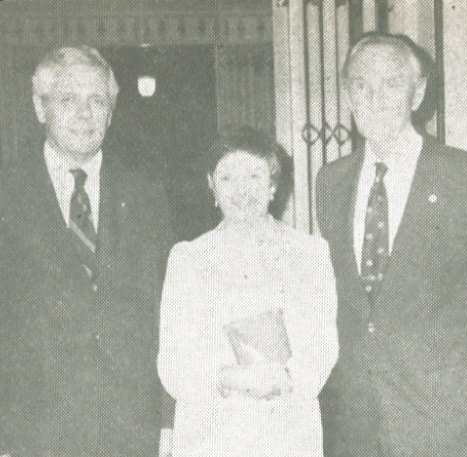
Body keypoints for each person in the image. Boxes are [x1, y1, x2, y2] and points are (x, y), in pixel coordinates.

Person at [315, 32, 467, 457]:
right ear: (348, 95)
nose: (374, 98)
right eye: (360, 86)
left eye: (390, 84)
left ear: (418, 93)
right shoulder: (331, 182)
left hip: (445, 420)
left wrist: (455, 379)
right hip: (355, 421)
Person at [0, 46, 173, 456]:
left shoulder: (146, 192)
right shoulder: (7, 193)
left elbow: (168, 312)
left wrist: (169, 419)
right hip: (32, 431)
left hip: (132, 430)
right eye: (68, 100)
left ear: (111, 112)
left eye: (97, 101)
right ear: (41, 108)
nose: (84, 114)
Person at [157, 128, 338, 457]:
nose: (241, 190)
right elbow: (171, 363)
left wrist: (281, 378)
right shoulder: (187, 258)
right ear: (212, 185)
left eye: (254, 176)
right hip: (210, 435)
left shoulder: (310, 253)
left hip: (285, 433)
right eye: (227, 178)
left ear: (272, 185)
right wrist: (225, 379)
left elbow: (323, 350)